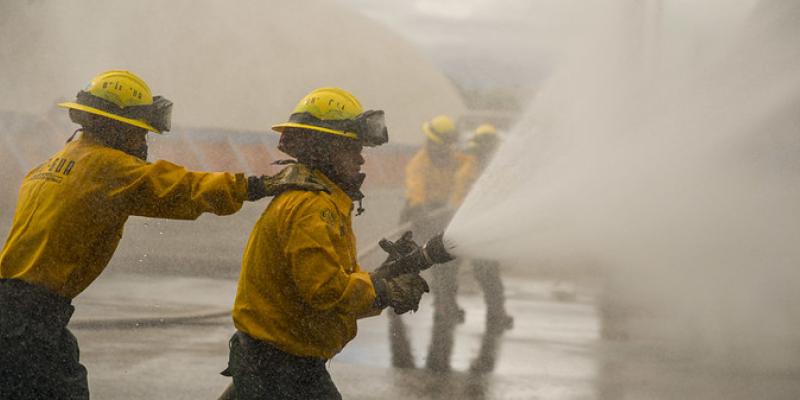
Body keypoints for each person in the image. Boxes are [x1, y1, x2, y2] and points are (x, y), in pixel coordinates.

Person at [0, 70, 324, 399]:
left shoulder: (48, 166)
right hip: (29, 321)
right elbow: (181, 187)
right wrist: (262, 185)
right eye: (138, 133)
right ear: (115, 126)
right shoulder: (106, 166)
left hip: (21, 314)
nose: (142, 143)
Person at [222, 87, 432, 400]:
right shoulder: (313, 206)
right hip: (283, 369)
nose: (361, 158)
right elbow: (325, 290)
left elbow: (329, 284)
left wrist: (382, 277)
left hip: (269, 361)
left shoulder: (325, 201)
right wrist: (384, 291)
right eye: (352, 149)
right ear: (325, 149)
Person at [389, 114, 468, 370]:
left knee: (448, 264)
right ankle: (394, 298)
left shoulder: (457, 160)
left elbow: (468, 175)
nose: (435, 146)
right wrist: (423, 210)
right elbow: (417, 192)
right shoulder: (419, 163)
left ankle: (446, 304)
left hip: (447, 215)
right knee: (407, 261)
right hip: (418, 214)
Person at [450, 123, 513, 372]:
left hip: (481, 231)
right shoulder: (470, 167)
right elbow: (458, 198)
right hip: (462, 226)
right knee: (450, 272)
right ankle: (447, 308)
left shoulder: (492, 168)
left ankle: (495, 313)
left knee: (486, 273)